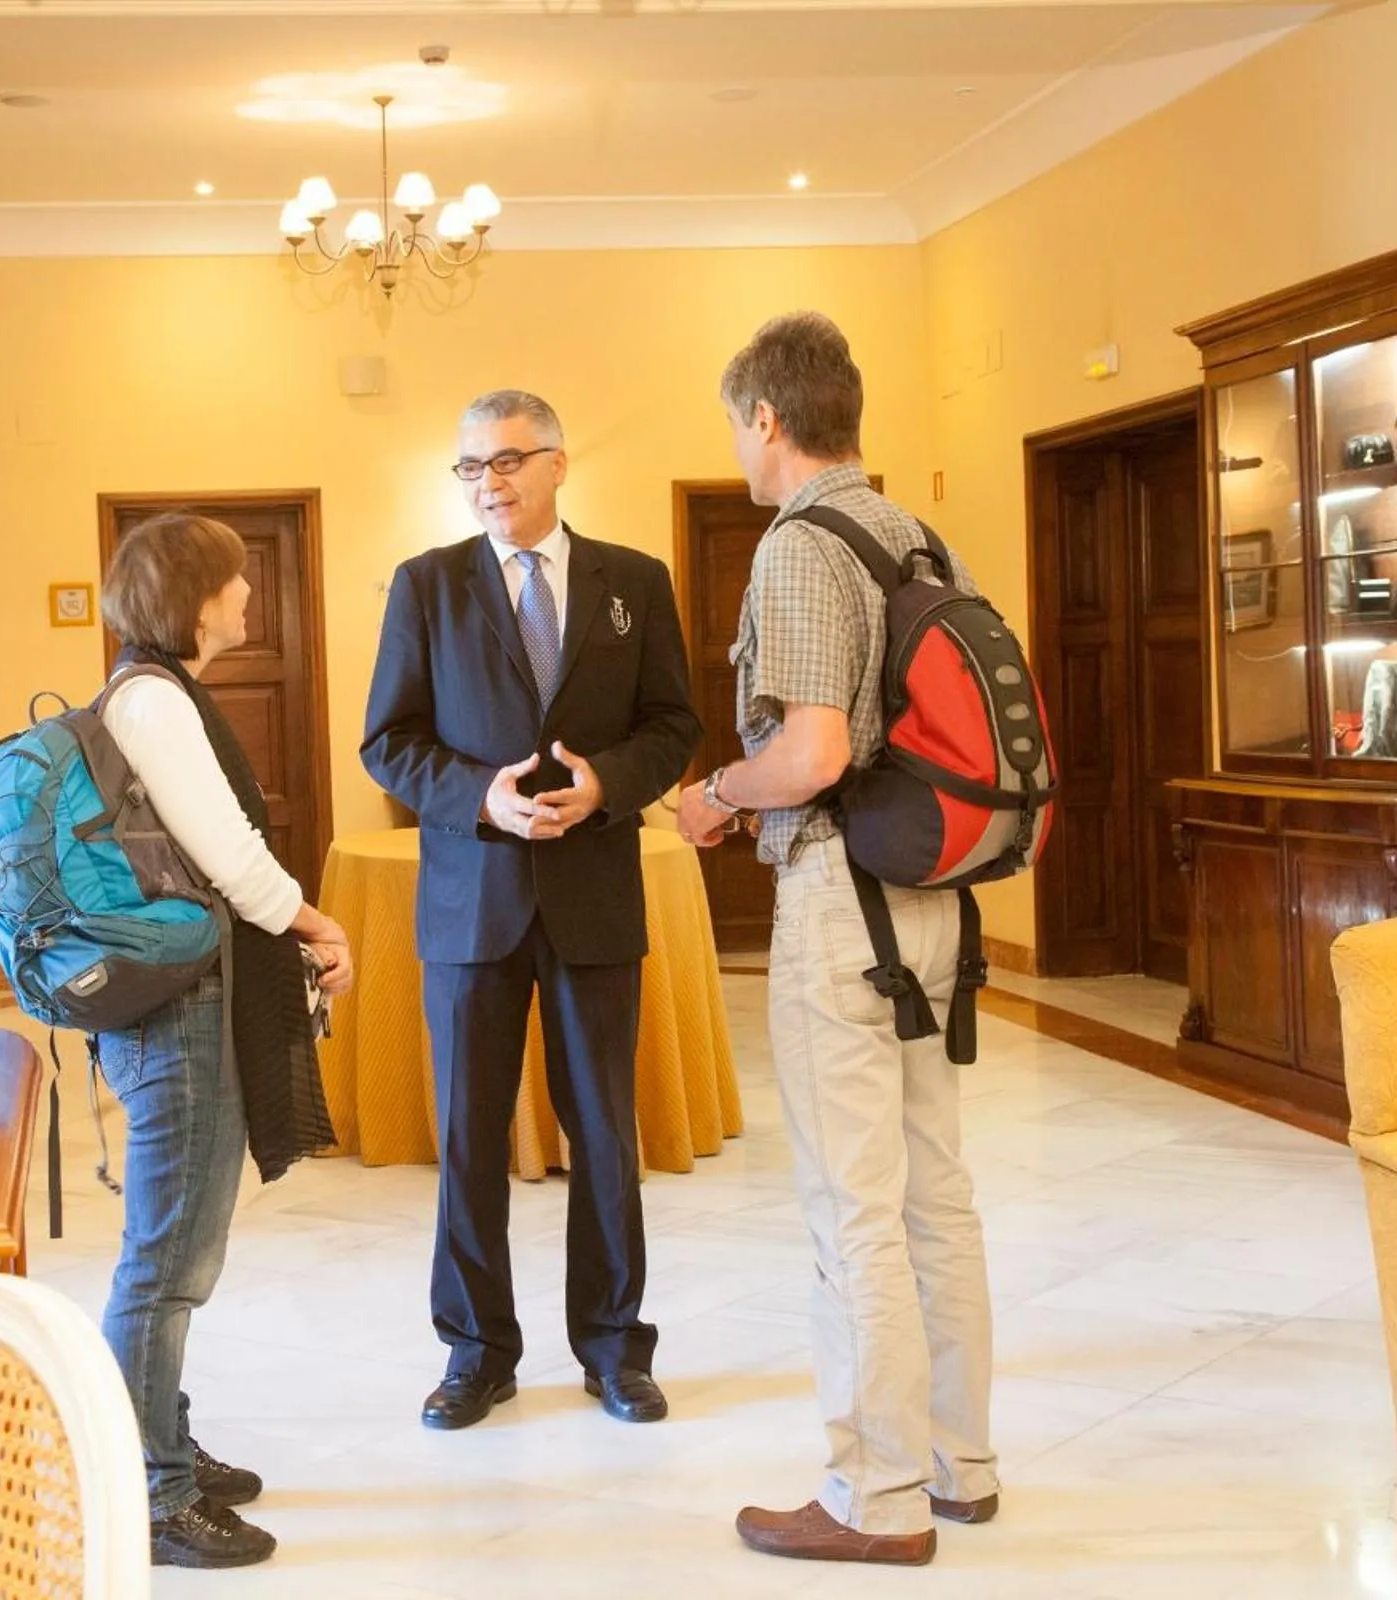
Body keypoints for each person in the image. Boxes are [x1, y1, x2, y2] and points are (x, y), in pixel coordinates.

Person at [677, 313, 1000, 1568]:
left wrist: (719, 792)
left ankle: (878, 1497)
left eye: (737, 426)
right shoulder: (922, 533)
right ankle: (960, 1464)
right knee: (939, 1196)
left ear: (767, 419)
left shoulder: (799, 547)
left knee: (850, 1209)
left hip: (839, 904)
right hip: (937, 897)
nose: (741, 450)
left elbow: (811, 754)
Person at [362, 389, 702, 1432]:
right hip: (474, 902)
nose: (489, 483)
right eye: (470, 468)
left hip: (594, 893)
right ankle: (475, 1350)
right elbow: (388, 739)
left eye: (507, 461)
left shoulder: (633, 582)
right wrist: (480, 796)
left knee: (604, 1130)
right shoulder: (425, 587)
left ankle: (614, 1348)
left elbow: (675, 722)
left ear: (558, 464)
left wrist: (608, 784)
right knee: (469, 1135)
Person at [94, 512, 357, 1570]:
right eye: (236, 583)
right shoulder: (154, 698)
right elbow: (233, 856)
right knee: (166, 1261)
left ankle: (163, 1440)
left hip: (181, 1002)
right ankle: (152, 1492)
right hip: (181, 1014)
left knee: (177, 1252)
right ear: (195, 596)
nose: (248, 597)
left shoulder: (150, 689)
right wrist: (317, 919)